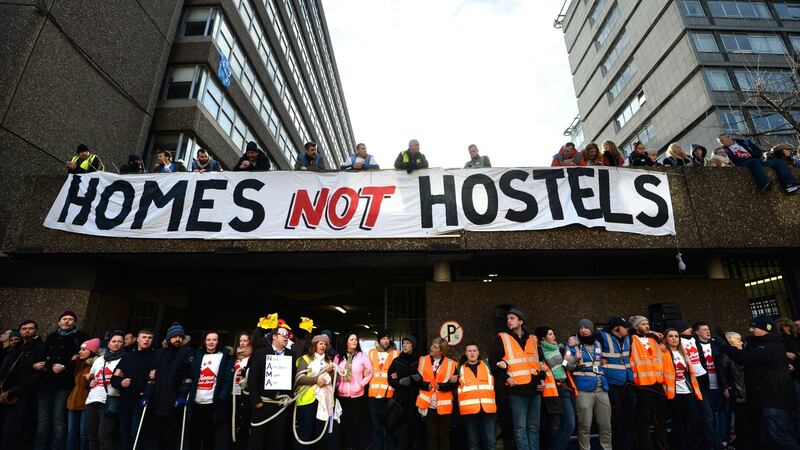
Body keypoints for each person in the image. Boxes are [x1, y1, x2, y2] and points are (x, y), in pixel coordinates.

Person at [718, 315, 800, 449]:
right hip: (767, 399)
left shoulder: (770, 345)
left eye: (754, 327)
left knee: (778, 436)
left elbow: (745, 358)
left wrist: (724, 346)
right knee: (772, 436)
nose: (750, 330)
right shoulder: (762, 344)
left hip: (774, 400)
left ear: (765, 329)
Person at [489, 308, 546, 450]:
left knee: (534, 427)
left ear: (521, 321)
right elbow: (493, 363)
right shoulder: (502, 338)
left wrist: (543, 379)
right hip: (516, 390)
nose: (508, 321)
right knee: (520, 428)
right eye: (507, 319)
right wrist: (505, 378)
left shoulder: (533, 339)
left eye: (512, 318)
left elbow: (541, 363)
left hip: (535, 389)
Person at [34, 310, 90, 450]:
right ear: (59, 322)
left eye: (70, 319)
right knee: (43, 420)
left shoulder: (81, 337)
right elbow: (46, 354)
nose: (67, 321)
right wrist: (43, 365)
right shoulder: (52, 336)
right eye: (64, 318)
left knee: (59, 419)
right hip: (46, 382)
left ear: (75, 322)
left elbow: (81, 360)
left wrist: (65, 366)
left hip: (64, 383)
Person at [247, 322, 295, 450]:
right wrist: (255, 400)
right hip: (263, 403)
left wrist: (289, 398)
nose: (286, 337)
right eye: (283, 334)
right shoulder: (260, 353)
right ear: (274, 336)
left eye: (288, 335)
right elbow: (253, 378)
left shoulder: (291, 354)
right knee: (257, 439)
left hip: (281, 405)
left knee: (277, 440)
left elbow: (293, 378)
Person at [149, 321, 195, 449]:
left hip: (174, 400)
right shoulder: (159, 353)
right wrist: (147, 395)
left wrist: (182, 395)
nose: (178, 339)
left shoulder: (187, 352)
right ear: (169, 338)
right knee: (158, 435)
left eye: (180, 337)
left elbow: (188, 376)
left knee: (170, 436)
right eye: (175, 337)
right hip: (158, 399)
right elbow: (151, 375)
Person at [0, 320, 45, 450]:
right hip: (5, 392)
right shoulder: (16, 347)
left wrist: (17, 390)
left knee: (12, 431)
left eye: (30, 328)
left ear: (36, 330)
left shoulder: (40, 348)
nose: (27, 330)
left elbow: (37, 376)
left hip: (22, 395)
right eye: (24, 328)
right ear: (20, 331)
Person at [568, 319, 611, 450]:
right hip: (583, 389)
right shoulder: (572, 345)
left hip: (601, 388)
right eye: (581, 327)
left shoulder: (597, 343)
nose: (584, 330)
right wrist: (575, 358)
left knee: (606, 426)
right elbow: (566, 366)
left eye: (587, 327)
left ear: (592, 329)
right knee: (584, 426)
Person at [110, 329, 155, 450]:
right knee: (124, 433)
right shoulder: (128, 356)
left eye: (149, 338)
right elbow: (115, 378)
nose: (146, 340)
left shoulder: (156, 356)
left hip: (142, 400)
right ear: (137, 339)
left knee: (137, 433)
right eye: (144, 337)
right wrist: (121, 382)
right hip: (125, 400)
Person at [189, 330, 233, 450]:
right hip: (196, 402)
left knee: (209, 437)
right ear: (204, 341)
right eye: (208, 340)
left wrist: (221, 397)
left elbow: (228, 380)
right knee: (194, 437)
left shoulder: (224, 356)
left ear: (218, 341)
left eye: (214, 339)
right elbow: (191, 375)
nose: (211, 342)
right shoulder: (198, 355)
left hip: (212, 403)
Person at [629, 315, 668, 450]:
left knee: (660, 417)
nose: (647, 326)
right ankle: (646, 446)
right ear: (636, 327)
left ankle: (662, 445)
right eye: (643, 324)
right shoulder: (631, 340)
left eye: (647, 324)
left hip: (657, 383)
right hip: (642, 384)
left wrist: (652, 333)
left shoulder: (653, 340)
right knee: (644, 418)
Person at [662, 328, 704, 450]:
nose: (674, 338)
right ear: (665, 339)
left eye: (676, 336)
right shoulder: (663, 353)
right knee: (677, 422)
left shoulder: (683, 353)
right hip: (673, 393)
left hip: (687, 390)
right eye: (671, 336)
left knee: (696, 419)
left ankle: (693, 445)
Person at [598, 316, 635, 450]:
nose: (628, 329)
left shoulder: (628, 337)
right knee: (616, 418)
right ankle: (618, 446)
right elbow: (586, 340)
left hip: (627, 381)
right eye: (625, 327)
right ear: (617, 328)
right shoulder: (601, 336)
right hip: (612, 382)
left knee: (629, 416)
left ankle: (629, 445)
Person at [717, 133, 800, 193]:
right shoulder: (724, 149)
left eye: (722, 141)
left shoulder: (744, 142)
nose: (721, 143)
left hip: (756, 161)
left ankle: (790, 185)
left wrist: (754, 154)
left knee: (779, 162)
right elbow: (730, 160)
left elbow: (758, 152)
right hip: (742, 163)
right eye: (720, 142)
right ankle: (764, 183)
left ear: (728, 137)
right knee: (754, 161)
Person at [535, 326, 575, 450]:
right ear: (543, 337)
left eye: (553, 334)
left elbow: (565, 367)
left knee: (570, 424)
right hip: (550, 392)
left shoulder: (560, 349)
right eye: (550, 334)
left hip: (563, 388)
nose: (554, 336)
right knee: (554, 427)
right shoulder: (539, 352)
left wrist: (567, 360)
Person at [295, 333, 337, 448]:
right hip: (308, 401)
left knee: (321, 434)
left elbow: (333, 380)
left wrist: (331, 372)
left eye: (325, 344)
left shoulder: (329, 361)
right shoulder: (306, 359)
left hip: (323, 402)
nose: (323, 346)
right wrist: (315, 380)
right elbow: (299, 379)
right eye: (321, 343)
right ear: (314, 345)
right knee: (305, 433)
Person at [85, 330, 125, 450]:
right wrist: (89, 383)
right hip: (92, 399)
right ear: (108, 343)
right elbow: (91, 376)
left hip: (109, 401)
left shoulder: (125, 359)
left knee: (104, 437)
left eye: (120, 341)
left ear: (123, 344)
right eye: (114, 341)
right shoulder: (99, 359)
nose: (116, 344)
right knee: (92, 436)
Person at [692, 321, 729, 448]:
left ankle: (723, 440)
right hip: (704, 386)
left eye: (708, 329)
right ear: (697, 332)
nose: (707, 331)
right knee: (709, 417)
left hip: (719, 384)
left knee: (722, 414)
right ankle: (711, 442)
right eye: (704, 330)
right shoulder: (694, 346)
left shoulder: (716, 345)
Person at [416, 337, 458, 450]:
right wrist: (425, 385)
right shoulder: (422, 360)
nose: (431, 347)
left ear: (441, 351)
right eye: (432, 345)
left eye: (435, 347)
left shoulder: (452, 364)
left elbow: (455, 383)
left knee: (444, 436)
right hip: (427, 404)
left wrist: (443, 386)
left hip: (444, 405)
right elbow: (417, 379)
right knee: (432, 436)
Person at [333, 332, 372, 450]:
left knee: (355, 426)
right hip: (342, 396)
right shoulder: (338, 357)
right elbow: (333, 373)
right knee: (343, 426)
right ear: (346, 342)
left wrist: (362, 384)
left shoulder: (362, 356)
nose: (354, 341)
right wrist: (338, 385)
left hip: (357, 397)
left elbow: (370, 372)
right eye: (351, 339)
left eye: (356, 339)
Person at [458, 342, 496, 450]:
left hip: (488, 409)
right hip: (470, 410)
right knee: (473, 443)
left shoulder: (487, 365)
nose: (472, 353)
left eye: (474, 351)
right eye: (469, 351)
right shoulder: (460, 369)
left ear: (478, 352)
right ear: (465, 353)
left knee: (491, 442)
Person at [387, 335, 422, 450]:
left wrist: (419, 378)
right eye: (404, 343)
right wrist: (399, 382)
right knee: (402, 429)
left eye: (408, 343)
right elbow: (390, 378)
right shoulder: (397, 361)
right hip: (401, 400)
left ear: (413, 346)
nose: (405, 345)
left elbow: (426, 375)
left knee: (415, 429)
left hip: (416, 399)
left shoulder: (420, 360)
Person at [367, 329, 398, 450]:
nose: (385, 341)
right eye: (383, 338)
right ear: (379, 340)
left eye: (387, 338)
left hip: (388, 396)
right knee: (376, 429)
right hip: (373, 395)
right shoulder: (370, 353)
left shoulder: (396, 353)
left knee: (390, 428)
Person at [67, 338, 99, 450]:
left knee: (83, 433)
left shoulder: (95, 365)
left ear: (92, 351)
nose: (80, 352)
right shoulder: (80, 364)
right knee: (71, 432)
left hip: (86, 403)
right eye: (80, 349)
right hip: (74, 402)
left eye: (84, 349)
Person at [722, 331, 751, 450]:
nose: (741, 342)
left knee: (747, 420)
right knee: (741, 421)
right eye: (738, 340)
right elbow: (723, 374)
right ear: (731, 342)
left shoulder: (743, 353)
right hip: (737, 393)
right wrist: (727, 387)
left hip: (747, 392)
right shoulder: (725, 356)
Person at [776, 317, 800, 439]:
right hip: (792, 376)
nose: (788, 329)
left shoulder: (795, 338)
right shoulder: (780, 340)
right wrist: (786, 356)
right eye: (785, 326)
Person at [232, 332, 253, 450]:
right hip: (234, 393)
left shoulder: (252, 357)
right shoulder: (234, 357)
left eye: (245, 340)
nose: (242, 343)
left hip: (246, 393)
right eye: (241, 340)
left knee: (245, 422)